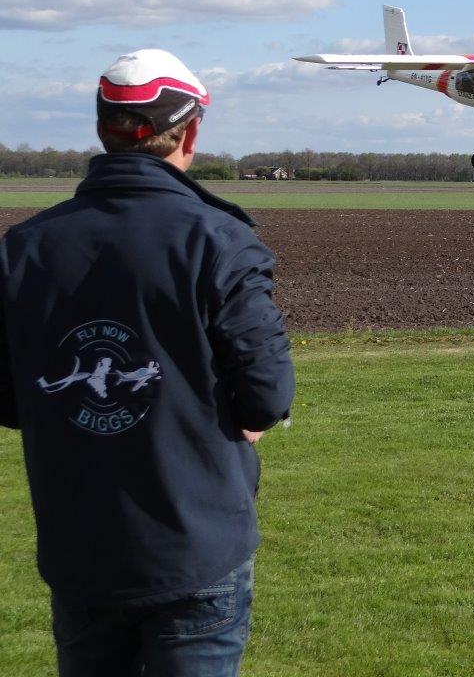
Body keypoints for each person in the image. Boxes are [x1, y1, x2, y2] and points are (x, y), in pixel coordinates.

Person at [0, 49, 295, 676]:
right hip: (195, 549)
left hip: (80, 549)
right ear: (190, 134)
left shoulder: (23, 248)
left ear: (102, 129)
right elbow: (267, 395)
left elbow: (10, 397)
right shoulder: (218, 240)